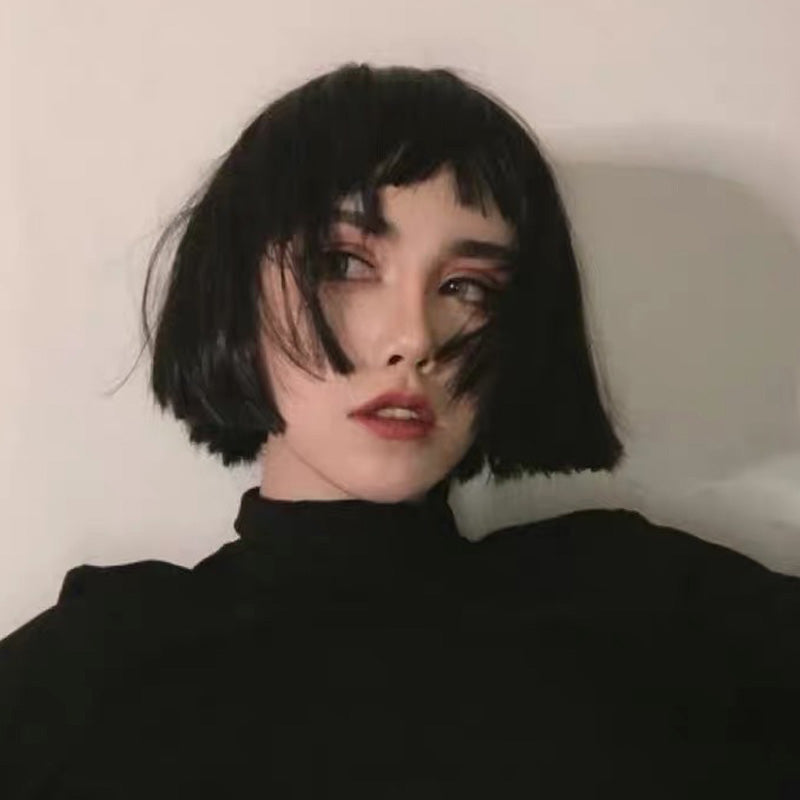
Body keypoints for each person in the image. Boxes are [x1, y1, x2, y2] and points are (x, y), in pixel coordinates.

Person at [1, 63, 798, 798]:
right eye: (344, 265)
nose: (414, 337)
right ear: (232, 294)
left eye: (467, 286)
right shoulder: (90, 672)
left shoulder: (652, 612)